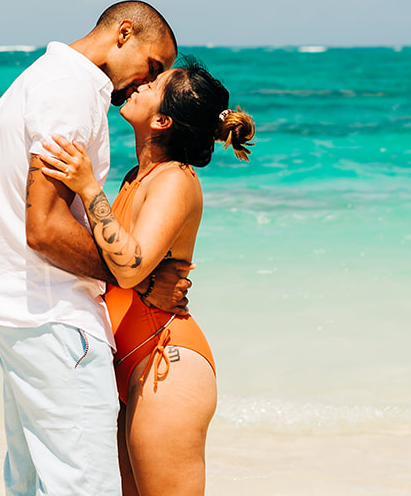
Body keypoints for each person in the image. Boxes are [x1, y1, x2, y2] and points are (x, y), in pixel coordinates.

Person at [0, 2, 190, 496]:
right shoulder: (72, 89)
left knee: (31, 484)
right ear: (123, 33)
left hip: (18, 309)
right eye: (151, 67)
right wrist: (140, 280)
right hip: (53, 313)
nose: (142, 84)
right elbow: (44, 227)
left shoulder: (44, 78)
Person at [37, 59, 255, 496]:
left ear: (161, 120)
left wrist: (87, 187)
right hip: (129, 357)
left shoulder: (175, 179)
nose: (141, 83)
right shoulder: (138, 176)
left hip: (165, 361)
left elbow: (130, 264)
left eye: (154, 84)